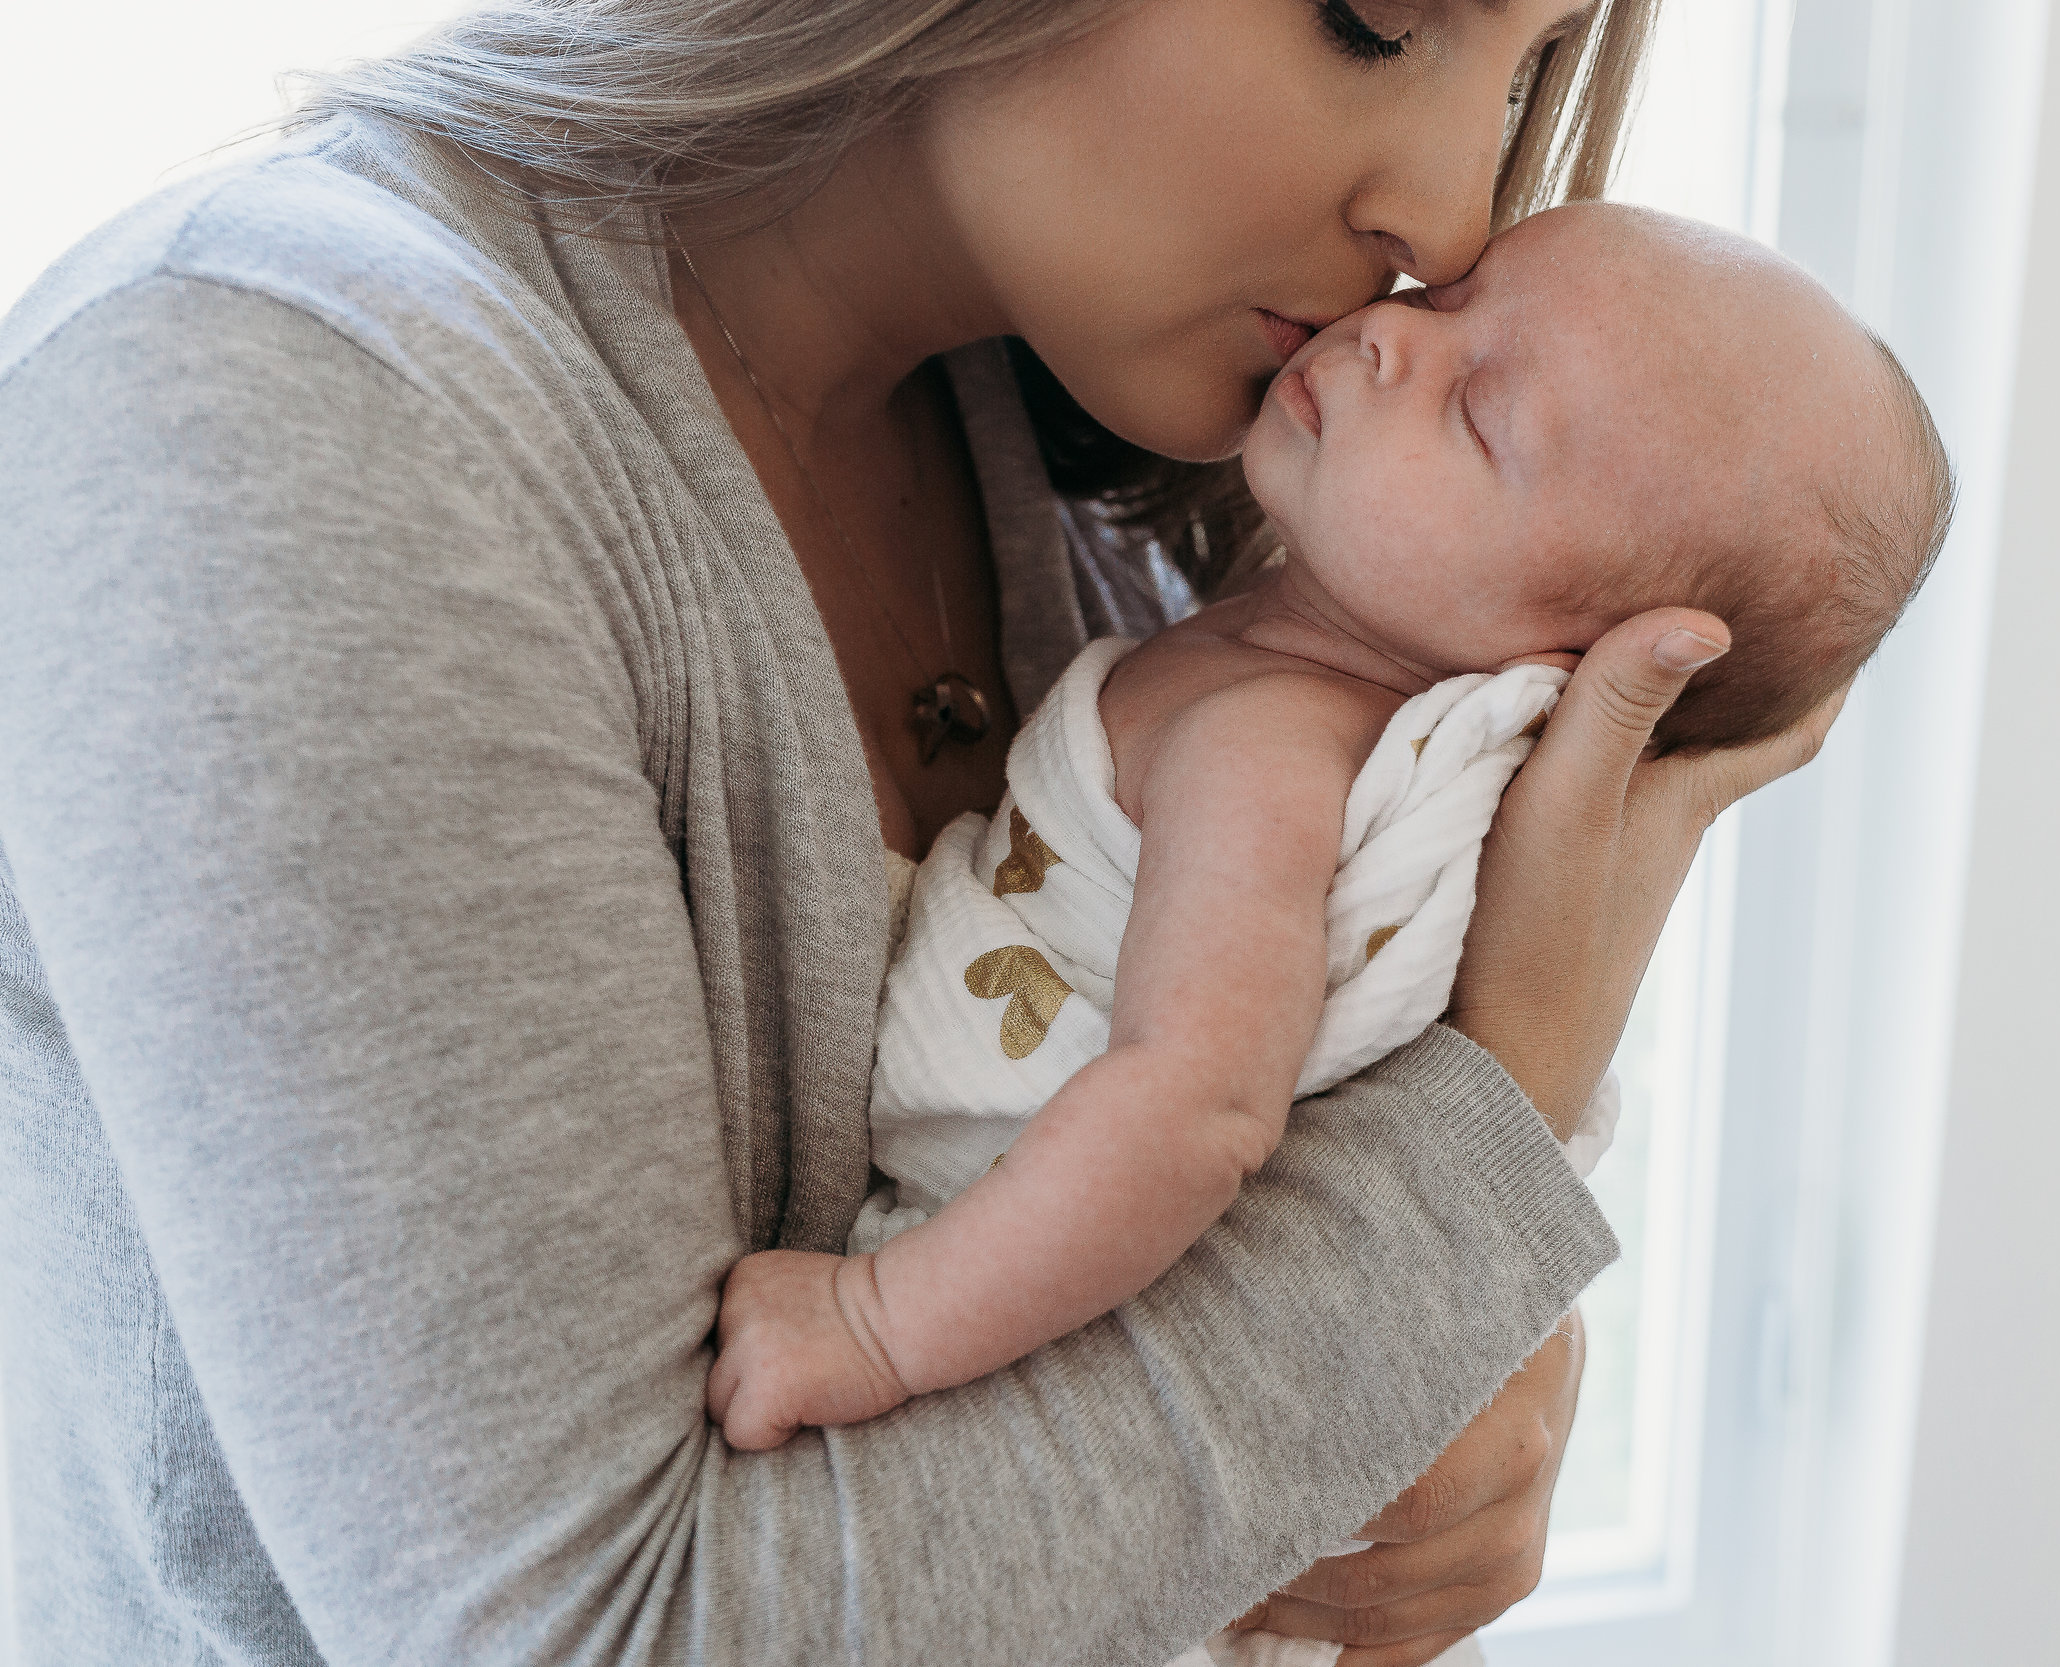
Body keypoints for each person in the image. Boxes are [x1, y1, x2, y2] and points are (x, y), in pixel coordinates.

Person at [0, 3, 1842, 1664]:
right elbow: (613, 1635)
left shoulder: (1118, 484)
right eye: (1374, 18)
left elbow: (1255, 1249)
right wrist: (1485, 1139)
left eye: (1522, 73)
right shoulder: (283, 410)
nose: (1450, 218)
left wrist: (1455, 1391)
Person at [701, 201, 1949, 1456]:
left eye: (1477, 413)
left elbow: (1193, 1106)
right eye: (1451, 299)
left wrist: (874, 1322)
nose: (1388, 345)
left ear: (1564, 659)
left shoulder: (1271, 752)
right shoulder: (1247, 626)